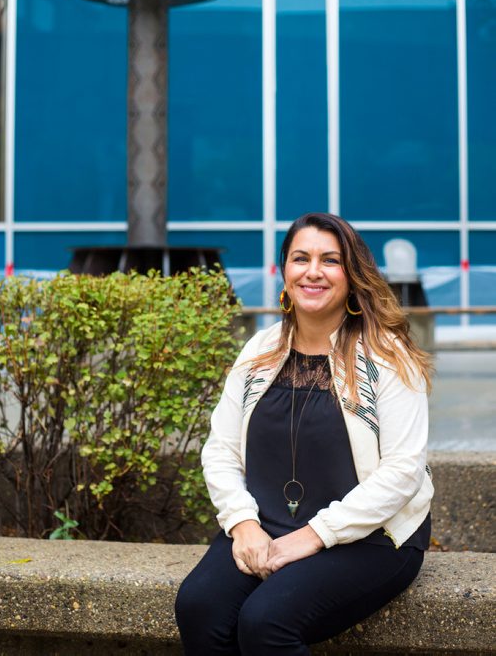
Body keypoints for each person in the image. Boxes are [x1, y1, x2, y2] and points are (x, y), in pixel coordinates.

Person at [175, 212, 434, 656]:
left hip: (372, 535)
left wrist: (313, 536)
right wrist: (243, 525)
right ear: (285, 271)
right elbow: (220, 448)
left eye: (330, 260)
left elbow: (402, 472)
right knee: (198, 607)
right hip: (268, 524)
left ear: (351, 277)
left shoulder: (388, 357)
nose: (313, 271)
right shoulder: (260, 348)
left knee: (265, 622)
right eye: (301, 258)